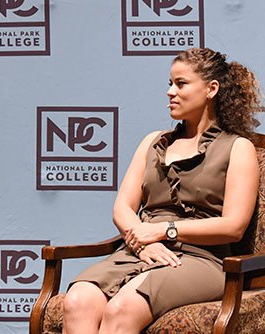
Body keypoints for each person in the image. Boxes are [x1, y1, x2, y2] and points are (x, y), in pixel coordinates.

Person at [62, 47, 261, 334]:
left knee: (122, 308)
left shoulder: (236, 147)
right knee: (78, 301)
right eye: (169, 83)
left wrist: (163, 231)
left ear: (211, 89)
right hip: (141, 249)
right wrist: (144, 242)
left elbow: (233, 227)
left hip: (202, 258)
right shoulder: (153, 142)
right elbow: (123, 208)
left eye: (181, 83)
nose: (170, 91)